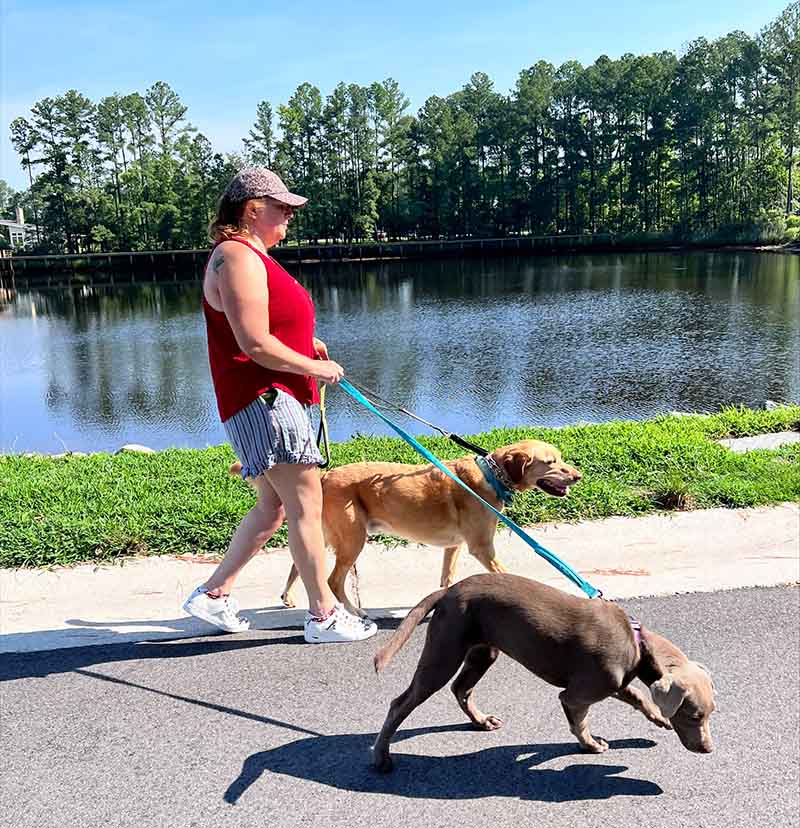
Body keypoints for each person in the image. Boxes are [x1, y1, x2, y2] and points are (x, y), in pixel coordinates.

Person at [182, 167, 377, 644]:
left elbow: (262, 327)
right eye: (282, 208)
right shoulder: (236, 256)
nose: (290, 217)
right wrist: (315, 370)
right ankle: (323, 616)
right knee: (307, 503)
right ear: (252, 209)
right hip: (264, 397)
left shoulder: (247, 255)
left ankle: (214, 592)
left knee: (274, 507)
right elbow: (253, 344)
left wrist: (304, 343)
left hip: (265, 394)